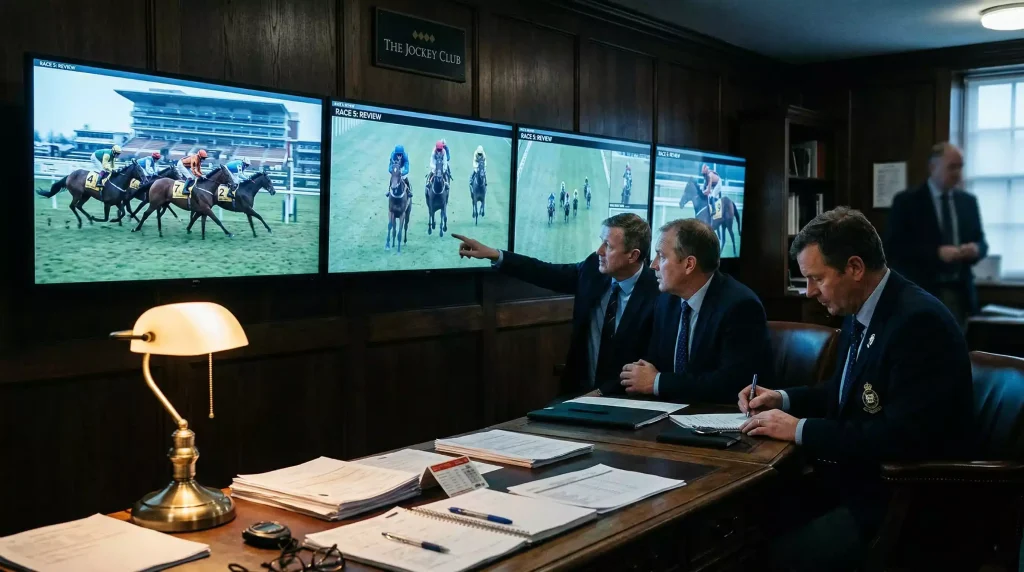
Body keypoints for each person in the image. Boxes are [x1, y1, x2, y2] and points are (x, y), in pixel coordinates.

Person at [737, 207, 973, 571]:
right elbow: (845, 392)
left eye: (817, 278)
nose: (810, 291)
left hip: (899, 503)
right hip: (850, 481)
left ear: (855, 268)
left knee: (771, 556)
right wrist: (782, 398)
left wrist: (799, 429)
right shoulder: (860, 307)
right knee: (743, 528)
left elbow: (900, 437)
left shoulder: (918, 323)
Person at [453, 213, 659, 396]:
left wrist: (603, 393)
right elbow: (545, 272)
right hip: (578, 393)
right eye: (601, 242)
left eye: (609, 246)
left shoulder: (658, 294)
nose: (599, 251)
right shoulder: (592, 270)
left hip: (628, 402)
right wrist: (496, 255)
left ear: (633, 255)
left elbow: (650, 362)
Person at [619, 218, 771, 403]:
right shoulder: (667, 301)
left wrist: (658, 382)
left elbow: (733, 384)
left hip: (718, 416)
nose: (653, 265)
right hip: (670, 412)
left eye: (662, 256)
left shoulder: (740, 307)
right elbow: (653, 364)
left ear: (689, 264)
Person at [885, 142, 987, 329]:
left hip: (959, 293)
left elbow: (982, 242)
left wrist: (976, 249)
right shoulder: (907, 202)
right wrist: (936, 253)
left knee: (956, 352)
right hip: (920, 291)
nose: (957, 172)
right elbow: (894, 247)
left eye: (960, 166)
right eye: (952, 167)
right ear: (933, 167)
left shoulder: (968, 202)